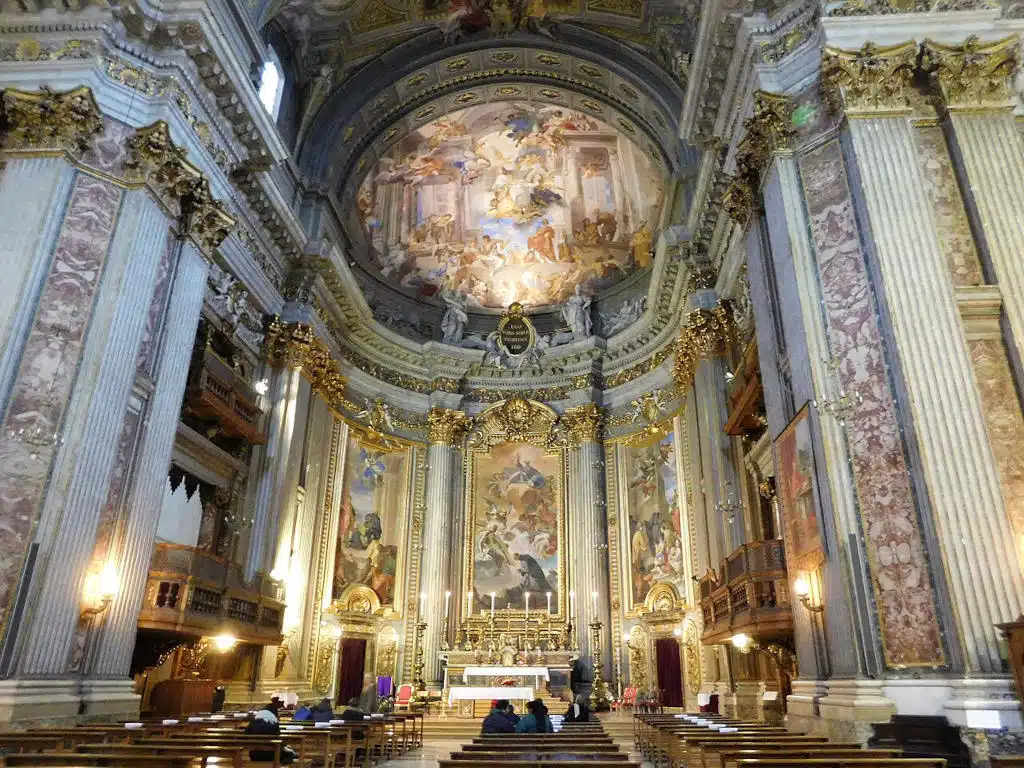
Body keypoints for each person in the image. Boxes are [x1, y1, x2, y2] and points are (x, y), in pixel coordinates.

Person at [245, 699, 297, 764]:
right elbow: (278, 738)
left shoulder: (253, 722)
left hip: (254, 755)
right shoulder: (273, 722)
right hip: (273, 755)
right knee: (288, 753)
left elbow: (246, 734)